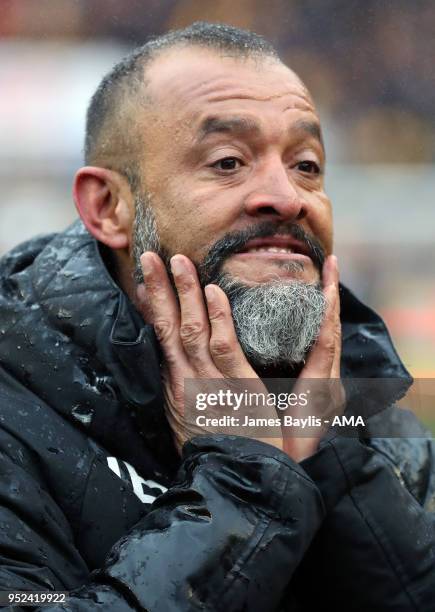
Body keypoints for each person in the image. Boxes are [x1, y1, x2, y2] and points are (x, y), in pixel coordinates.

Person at [0, 22, 434, 612]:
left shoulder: (368, 410)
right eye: (228, 162)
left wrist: (331, 454)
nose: (286, 196)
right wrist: (243, 486)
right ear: (108, 208)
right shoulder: (15, 404)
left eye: (307, 165)